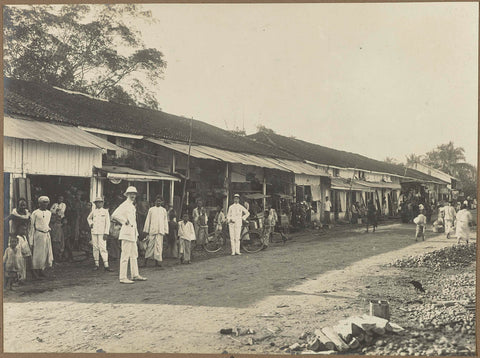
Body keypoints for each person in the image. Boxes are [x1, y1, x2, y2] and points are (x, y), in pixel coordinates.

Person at [112, 186, 147, 284]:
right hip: (126, 233)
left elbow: (134, 222)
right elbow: (114, 215)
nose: (133, 195)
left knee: (134, 255)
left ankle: (135, 274)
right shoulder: (124, 205)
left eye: (134, 194)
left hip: (132, 234)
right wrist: (124, 221)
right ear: (127, 195)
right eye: (131, 193)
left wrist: (136, 234)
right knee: (125, 255)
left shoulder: (132, 206)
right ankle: (122, 277)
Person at [29, 196, 53, 279]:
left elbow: (47, 224)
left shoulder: (49, 213)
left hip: (46, 234)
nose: (45, 204)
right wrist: (31, 240)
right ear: (39, 203)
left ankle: (41, 270)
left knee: (45, 253)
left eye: (46, 202)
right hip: (38, 235)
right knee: (37, 253)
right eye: (43, 202)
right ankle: (35, 271)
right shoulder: (35, 213)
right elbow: (32, 227)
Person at [142, 195, 169, 267]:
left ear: (162, 202)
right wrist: (146, 230)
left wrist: (165, 230)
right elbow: (148, 220)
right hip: (152, 230)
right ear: (155, 202)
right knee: (150, 246)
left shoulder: (163, 210)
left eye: (160, 201)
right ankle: (145, 262)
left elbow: (165, 221)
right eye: (157, 201)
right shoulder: (151, 210)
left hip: (160, 230)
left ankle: (157, 262)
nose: (158, 202)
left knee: (159, 246)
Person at [87, 197, 112, 272]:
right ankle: (96, 264)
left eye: (100, 202)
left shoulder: (105, 211)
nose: (98, 204)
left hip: (102, 232)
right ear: (95, 204)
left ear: (102, 203)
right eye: (97, 202)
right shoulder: (93, 211)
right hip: (94, 231)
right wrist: (91, 224)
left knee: (103, 248)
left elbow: (108, 223)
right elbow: (88, 218)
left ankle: (106, 265)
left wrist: (106, 233)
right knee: (95, 247)